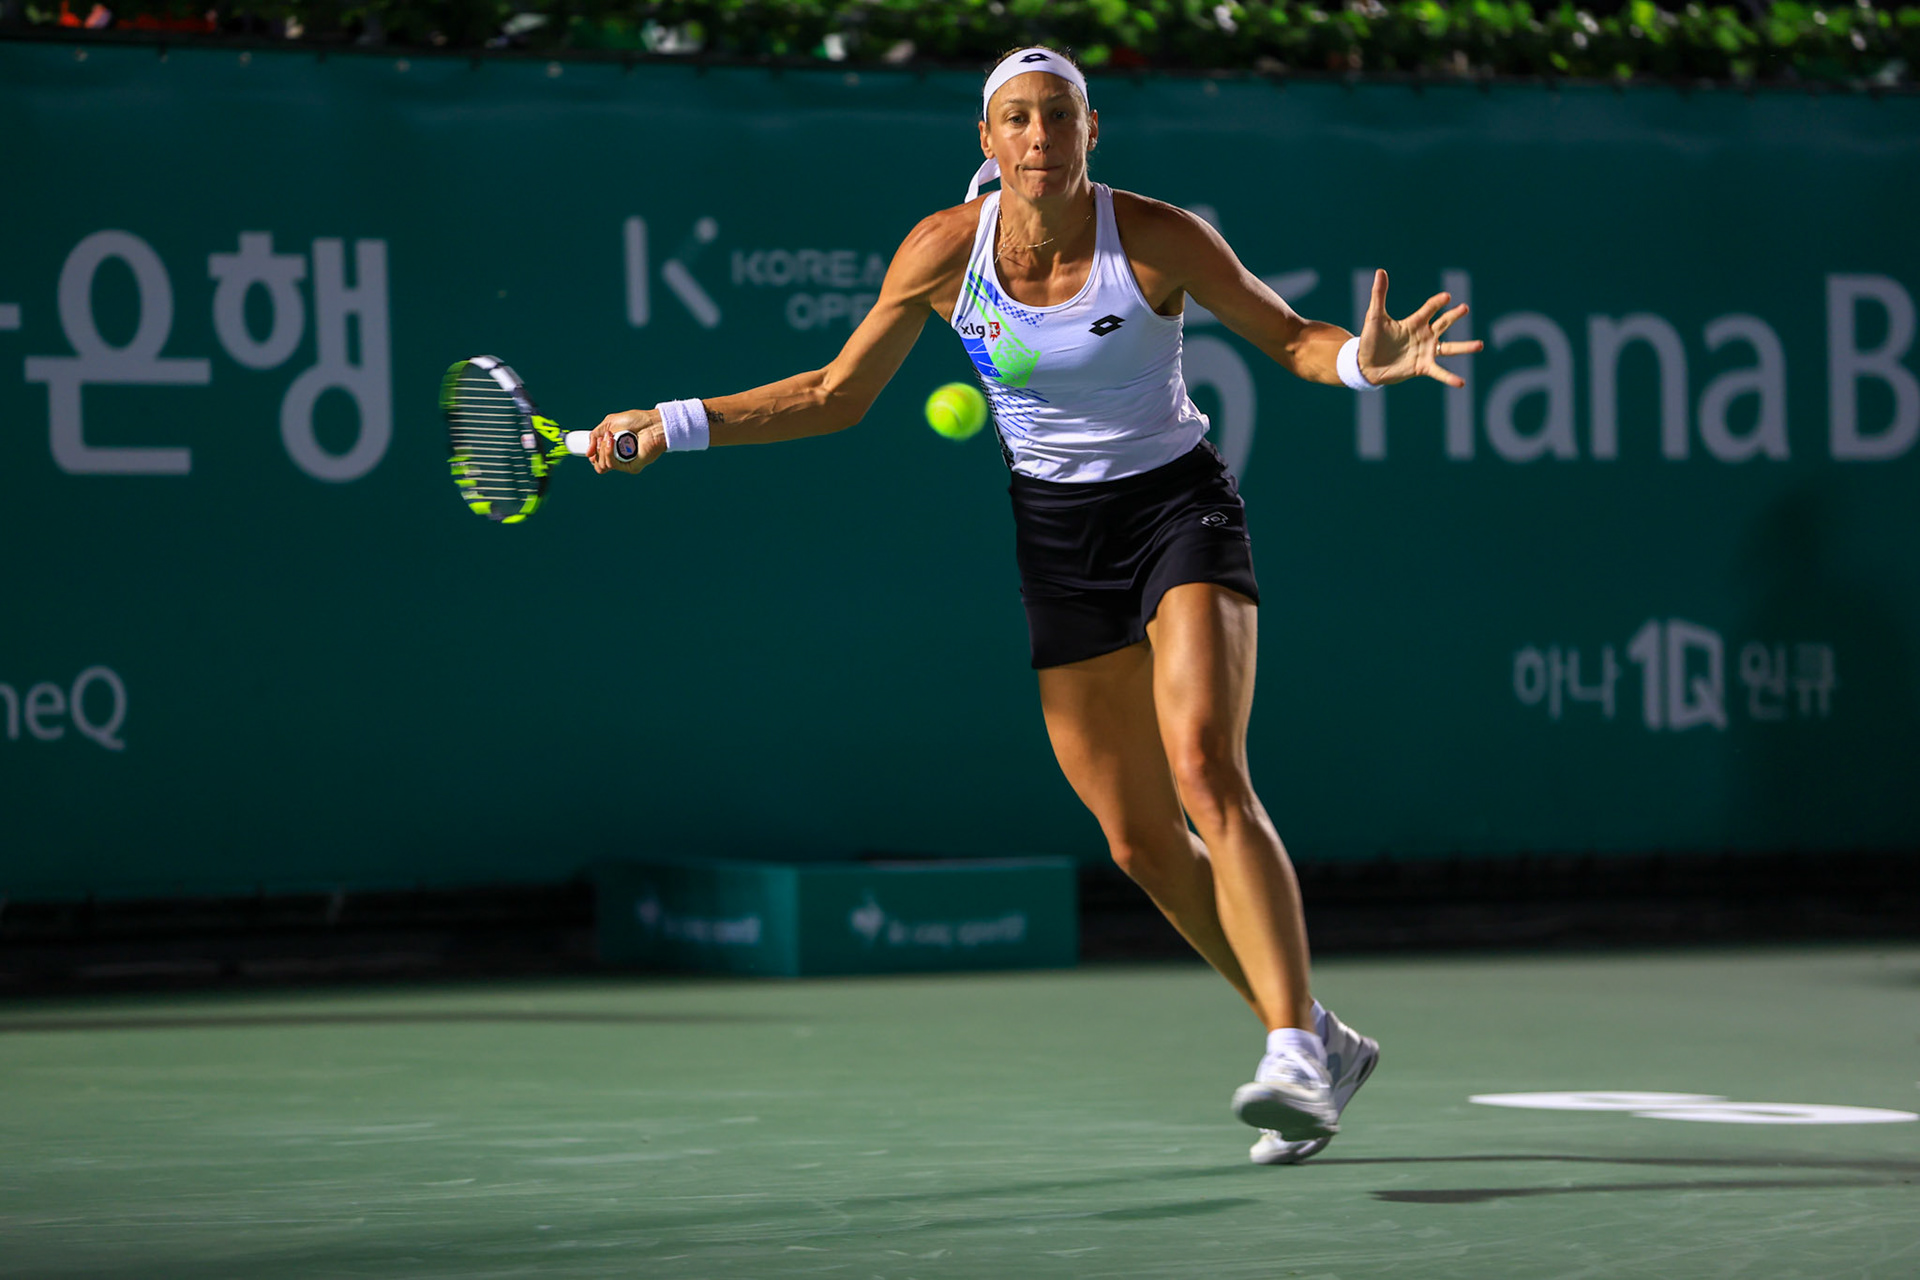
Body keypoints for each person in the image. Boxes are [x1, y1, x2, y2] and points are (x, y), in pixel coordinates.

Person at [586, 47, 1481, 1165]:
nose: (1040, 136)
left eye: (1059, 115)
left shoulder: (1157, 236)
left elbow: (1292, 338)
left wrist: (1360, 362)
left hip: (1178, 510)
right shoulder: (940, 252)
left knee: (1205, 765)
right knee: (1139, 841)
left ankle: (1293, 1049)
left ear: (1091, 130)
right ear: (988, 140)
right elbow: (832, 393)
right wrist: (674, 422)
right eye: (1017, 118)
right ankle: (1319, 1036)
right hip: (1058, 540)